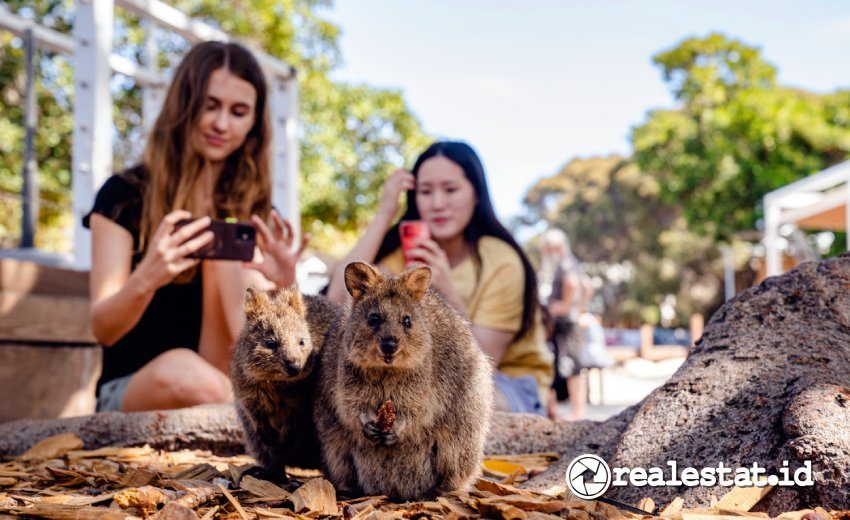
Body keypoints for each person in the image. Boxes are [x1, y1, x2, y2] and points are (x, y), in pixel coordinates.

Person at [84, 41, 306, 413]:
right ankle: (258, 416)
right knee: (186, 374)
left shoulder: (256, 213)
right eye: (210, 105)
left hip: (224, 377)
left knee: (229, 250)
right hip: (135, 388)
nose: (222, 124)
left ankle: (253, 409)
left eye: (238, 112)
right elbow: (102, 328)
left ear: (254, 122)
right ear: (184, 103)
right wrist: (148, 276)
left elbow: (270, 344)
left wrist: (284, 284)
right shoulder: (124, 196)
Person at [326, 141, 553, 415]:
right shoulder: (403, 253)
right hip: (414, 377)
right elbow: (336, 302)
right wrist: (385, 213)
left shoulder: (501, 260)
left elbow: (479, 367)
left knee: (452, 402)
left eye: (451, 189)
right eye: (425, 191)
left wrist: (445, 290)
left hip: (506, 384)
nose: (437, 203)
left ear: (476, 194)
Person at [540, 228, 587, 420]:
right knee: (563, 368)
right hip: (564, 325)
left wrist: (565, 306)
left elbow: (573, 283)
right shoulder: (569, 262)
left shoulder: (566, 262)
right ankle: (560, 411)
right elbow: (587, 287)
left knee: (572, 369)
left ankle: (577, 413)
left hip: (567, 326)